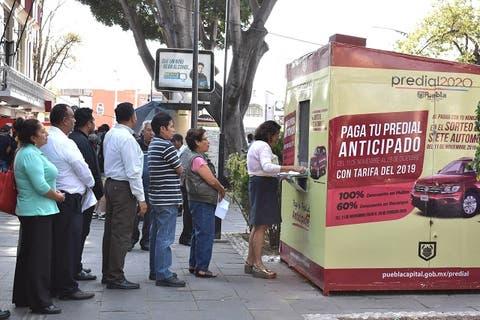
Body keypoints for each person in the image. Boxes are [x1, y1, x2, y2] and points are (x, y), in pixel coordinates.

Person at [40, 104, 96, 300]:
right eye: (71, 117)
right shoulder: (64, 142)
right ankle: (67, 287)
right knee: (68, 245)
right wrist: (91, 183)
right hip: (69, 198)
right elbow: (81, 167)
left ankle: (57, 284)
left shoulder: (47, 138)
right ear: (64, 120)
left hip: (57, 196)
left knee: (59, 244)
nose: (74, 120)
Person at [12, 118, 65, 314]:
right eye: (43, 131)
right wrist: (57, 196)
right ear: (33, 137)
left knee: (29, 256)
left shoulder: (30, 152)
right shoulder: (29, 154)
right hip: (37, 211)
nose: (46, 134)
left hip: (37, 211)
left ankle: (24, 296)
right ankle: (40, 301)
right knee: (39, 259)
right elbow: (40, 186)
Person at [246, 121, 306, 279]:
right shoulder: (263, 146)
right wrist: (291, 168)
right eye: (277, 135)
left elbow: (264, 169)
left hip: (259, 184)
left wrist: (283, 175)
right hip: (263, 186)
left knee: (257, 225)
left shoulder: (255, 145)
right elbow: (267, 167)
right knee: (261, 226)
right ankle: (259, 264)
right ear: (269, 134)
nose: (277, 138)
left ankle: (250, 261)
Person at [102, 102, 147, 289]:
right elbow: (133, 171)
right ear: (133, 117)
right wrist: (141, 199)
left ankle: (108, 272)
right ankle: (115, 276)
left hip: (112, 184)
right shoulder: (127, 139)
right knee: (121, 233)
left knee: (111, 231)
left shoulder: (111, 134)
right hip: (123, 187)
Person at [148, 112, 185, 287]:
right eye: (171, 127)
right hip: (167, 198)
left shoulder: (154, 144)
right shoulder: (167, 146)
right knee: (165, 237)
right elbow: (180, 170)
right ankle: (163, 273)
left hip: (156, 197)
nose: (173, 130)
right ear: (162, 129)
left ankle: (155, 270)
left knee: (156, 235)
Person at [184, 128, 225, 278]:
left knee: (198, 232)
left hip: (196, 199)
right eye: (205, 139)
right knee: (206, 234)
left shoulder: (194, 157)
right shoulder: (198, 159)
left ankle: (194, 264)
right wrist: (221, 189)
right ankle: (202, 267)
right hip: (203, 200)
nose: (208, 142)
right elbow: (211, 180)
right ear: (197, 142)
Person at [69, 108, 104, 281]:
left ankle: (76, 265)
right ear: (88, 123)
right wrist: (99, 193)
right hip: (82, 194)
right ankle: (75, 268)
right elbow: (91, 171)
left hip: (79, 194)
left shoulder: (75, 139)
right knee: (80, 233)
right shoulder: (81, 142)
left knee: (79, 233)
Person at [130, 120, 153, 251]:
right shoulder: (136, 145)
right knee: (135, 214)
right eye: (149, 130)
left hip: (151, 186)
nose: (152, 133)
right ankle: (132, 238)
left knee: (149, 215)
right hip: (137, 184)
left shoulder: (156, 145)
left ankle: (146, 240)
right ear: (143, 132)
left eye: (153, 130)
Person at [176, 133, 193, 246]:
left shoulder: (188, 152)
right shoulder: (187, 153)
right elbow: (183, 171)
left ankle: (186, 236)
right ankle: (186, 236)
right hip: (187, 187)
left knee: (188, 213)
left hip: (188, 186)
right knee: (188, 213)